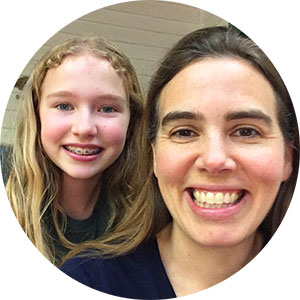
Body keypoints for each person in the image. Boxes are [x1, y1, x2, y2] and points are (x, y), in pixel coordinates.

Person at [60, 26, 299, 299]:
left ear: (287, 157)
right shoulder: (88, 281)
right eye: (184, 132)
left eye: (246, 131)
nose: (214, 160)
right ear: (154, 157)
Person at [4, 37, 144, 266]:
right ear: (37, 115)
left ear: (132, 121)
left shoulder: (149, 219)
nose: (84, 128)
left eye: (107, 108)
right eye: (64, 106)